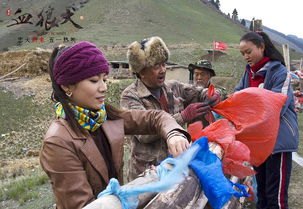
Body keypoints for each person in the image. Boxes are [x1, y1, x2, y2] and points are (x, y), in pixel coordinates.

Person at [39, 41, 191, 209]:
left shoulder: (105, 117)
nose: (104, 87)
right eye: (94, 80)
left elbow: (155, 117)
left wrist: (173, 134)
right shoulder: (58, 143)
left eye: (104, 79)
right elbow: (83, 205)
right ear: (67, 85)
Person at [120, 36, 220, 181]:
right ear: (141, 71)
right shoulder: (130, 96)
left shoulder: (173, 87)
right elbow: (144, 134)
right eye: (156, 66)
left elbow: (197, 91)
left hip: (175, 167)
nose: (162, 70)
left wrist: (211, 94)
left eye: (163, 64)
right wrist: (183, 116)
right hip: (147, 174)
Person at [235, 31, 299, 209]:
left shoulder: (280, 72)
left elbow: (277, 104)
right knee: (261, 195)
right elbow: (236, 97)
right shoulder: (249, 74)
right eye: (242, 54)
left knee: (275, 198)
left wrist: (248, 104)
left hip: (278, 141)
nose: (246, 57)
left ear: (261, 47)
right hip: (259, 143)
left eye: (248, 51)